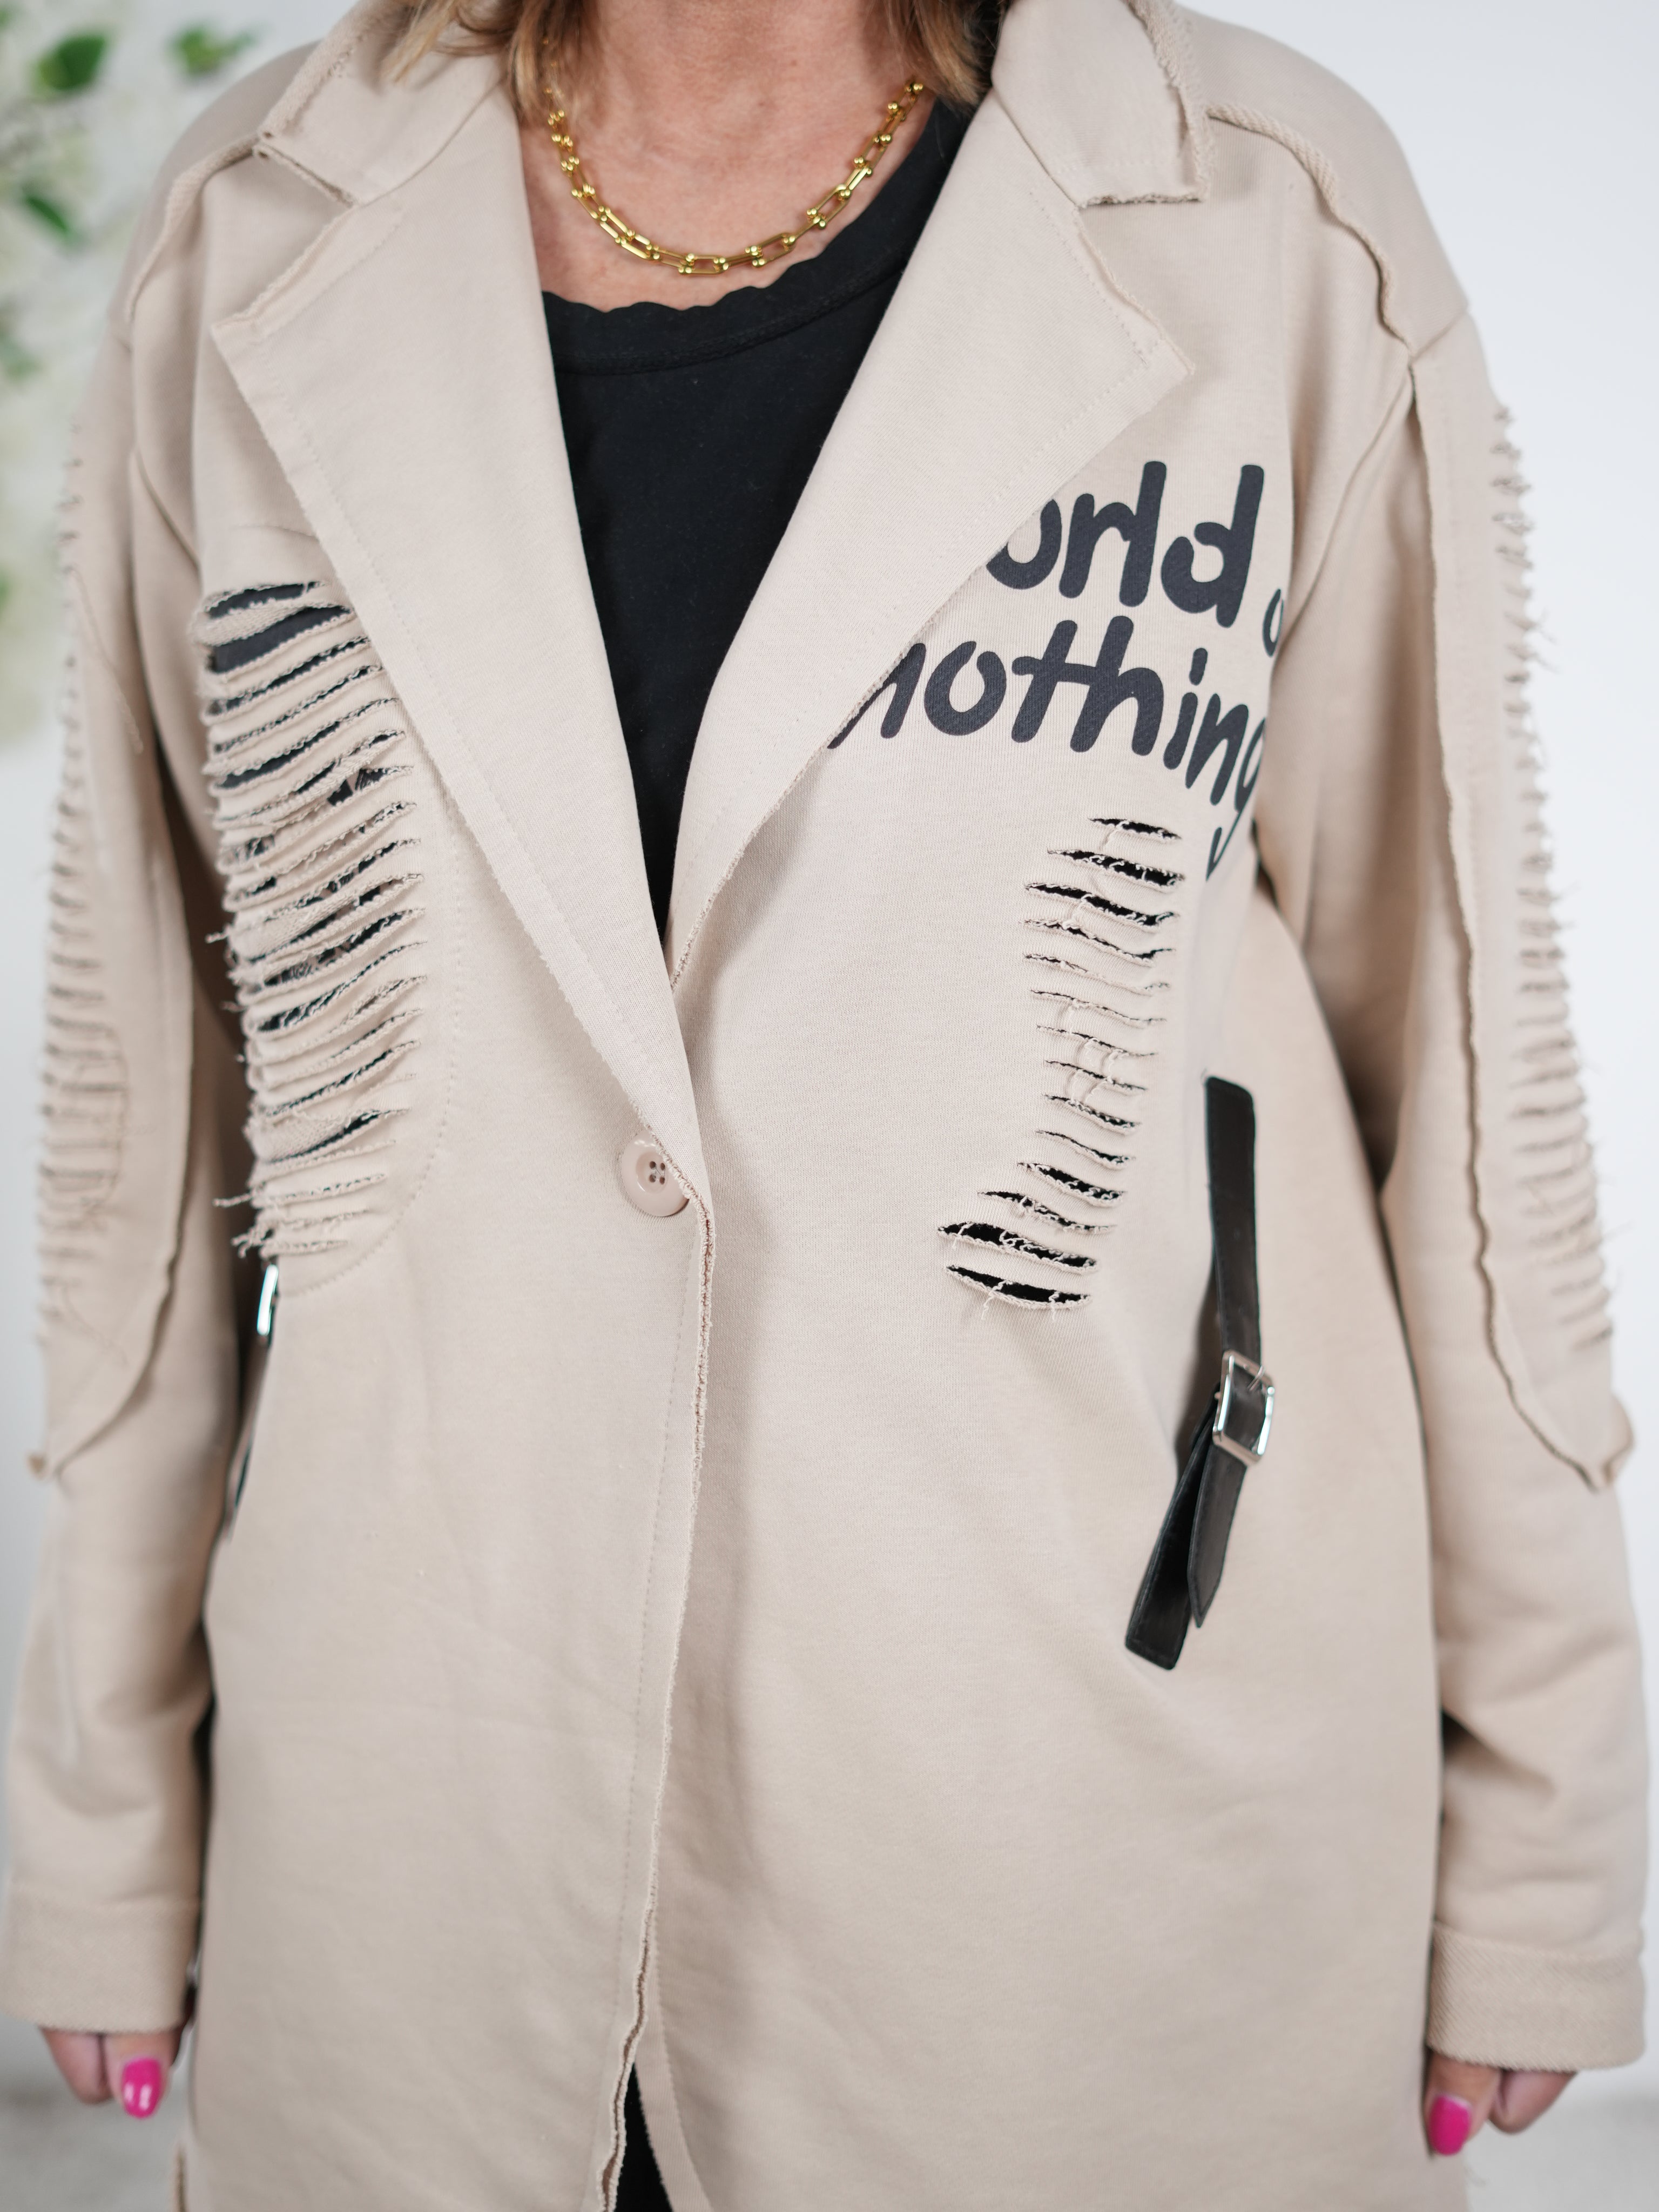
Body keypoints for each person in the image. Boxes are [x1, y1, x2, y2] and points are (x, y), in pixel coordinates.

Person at [0, 0, 1644, 2204]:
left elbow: (1461, 1070)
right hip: (416, 1840)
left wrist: (1548, 1822)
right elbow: (150, 1123)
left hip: (1083, 1857)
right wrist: (98, 1812)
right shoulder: (258, 224)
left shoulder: (1268, 214)